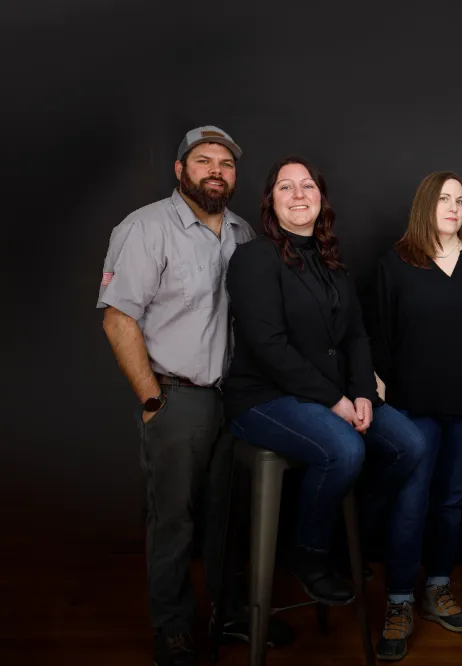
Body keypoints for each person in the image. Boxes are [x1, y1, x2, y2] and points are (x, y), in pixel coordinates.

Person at [98, 126, 291, 666]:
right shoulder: (145, 228)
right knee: (174, 519)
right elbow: (118, 318)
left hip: (236, 399)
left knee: (229, 517)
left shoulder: (244, 233)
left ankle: (229, 617)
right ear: (180, 170)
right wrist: (152, 398)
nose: (216, 171)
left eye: (226, 164)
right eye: (204, 161)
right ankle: (174, 629)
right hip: (176, 396)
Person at [222, 157, 428, 630]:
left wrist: (360, 394)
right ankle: (308, 553)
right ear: (271, 203)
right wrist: (335, 402)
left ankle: (336, 539)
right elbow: (268, 346)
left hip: (329, 394)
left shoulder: (331, 261)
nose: (299, 195)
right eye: (286, 188)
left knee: (409, 445)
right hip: (262, 400)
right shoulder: (255, 258)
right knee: (344, 447)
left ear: (321, 197)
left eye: (307, 185)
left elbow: (356, 336)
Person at [369, 170, 462, 660]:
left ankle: (437, 587)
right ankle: (400, 600)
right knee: (412, 501)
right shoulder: (395, 263)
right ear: (425, 205)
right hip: (414, 407)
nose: (454, 207)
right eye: (444, 199)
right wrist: (384, 410)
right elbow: (379, 343)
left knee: (451, 501)